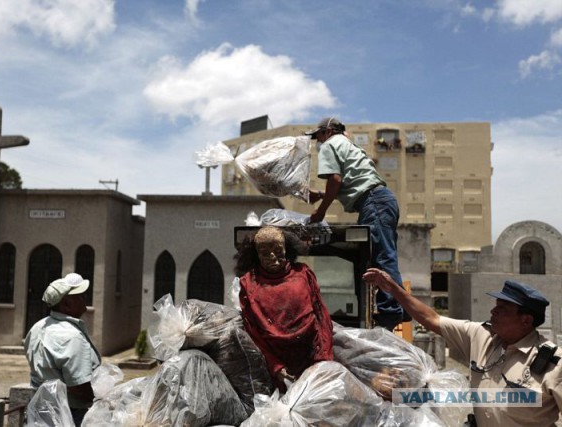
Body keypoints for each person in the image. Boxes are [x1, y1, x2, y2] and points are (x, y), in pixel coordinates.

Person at [363, 267, 562, 427]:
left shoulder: (553, 363)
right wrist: (395, 290)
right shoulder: (481, 336)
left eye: (503, 309)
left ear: (526, 320)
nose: (493, 311)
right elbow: (432, 318)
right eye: (496, 305)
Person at [306, 116, 408, 330]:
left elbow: (335, 180)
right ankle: (400, 308)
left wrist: (321, 211)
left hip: (373, 202)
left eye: (318, 136)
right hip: (379, 200)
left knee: (382, 257)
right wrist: (321, 195)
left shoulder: (329, 145)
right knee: (380, 255)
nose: (317, 141)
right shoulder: (347, 144)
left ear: (327, 132)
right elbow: (354, 181)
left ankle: (390, 314)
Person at [235, 225, 334, 392]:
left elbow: (321, 317)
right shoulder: (248, 283)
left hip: (309, 355)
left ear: (287, 250)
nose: (273, 257)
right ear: (257, 255)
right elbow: (253, 333)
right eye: (265, 253)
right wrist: (275, 366)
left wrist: (323, 360)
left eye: (278, 250)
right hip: (275, 362)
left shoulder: (303, 274)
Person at [24, 273, 101, 426]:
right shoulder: (72, 336)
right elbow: (78, 387)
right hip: (71, 413)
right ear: (66, 304)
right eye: (78, 296)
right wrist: (101, 400)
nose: (83, 298)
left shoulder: (37, 327)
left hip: (42, 410)